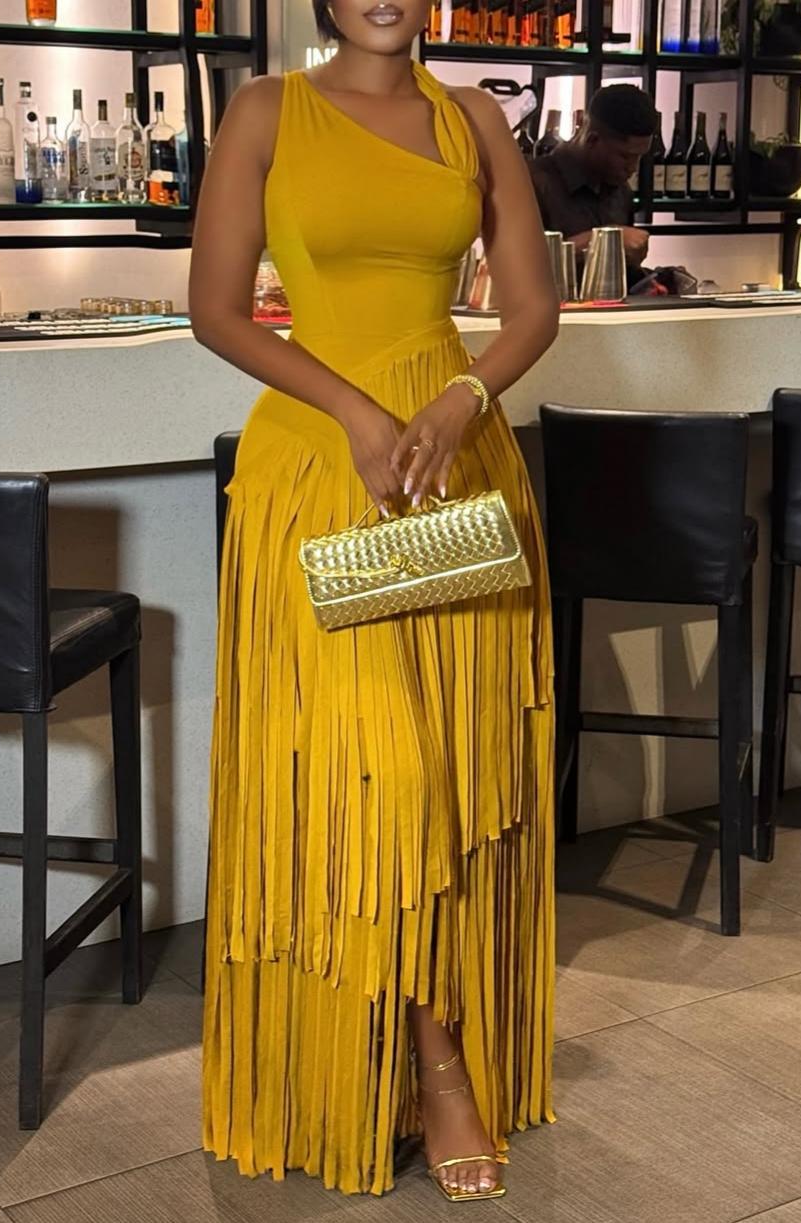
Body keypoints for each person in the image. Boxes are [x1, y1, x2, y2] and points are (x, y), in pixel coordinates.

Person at [190, 0, 559, 1202]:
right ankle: (403, 1057)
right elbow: (215, 309)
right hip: (317, 467)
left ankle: (432, 1054)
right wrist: (354, 410)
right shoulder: (264, 110)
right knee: (364, 770)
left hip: (451, 468)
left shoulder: (473, 119)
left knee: (446, 768)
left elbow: (531, 308)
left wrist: (461, 400)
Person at [529, 83, 658, 280]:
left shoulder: (620, 191)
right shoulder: (532, 182)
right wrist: (602, 240)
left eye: (639, 157)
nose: (632, 168)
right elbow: (513, 263)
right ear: (592, 140)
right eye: (625, 156)